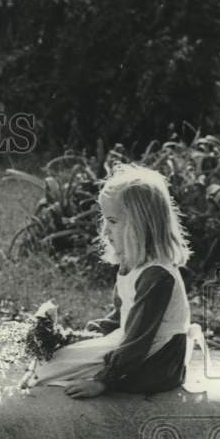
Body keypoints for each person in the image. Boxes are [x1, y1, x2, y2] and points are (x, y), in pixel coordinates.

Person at [28, 163, 197, 399]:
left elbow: (140, 338)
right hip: (132, 343)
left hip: (158, 359)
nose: (105, 231)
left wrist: (103, 381)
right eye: (104, 220)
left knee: (51, 369)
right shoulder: (131, 265)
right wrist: (79, 337)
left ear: (141, 225)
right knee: (50, 358)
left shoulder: (156, 276)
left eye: (114, 222)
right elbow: (119, 318)